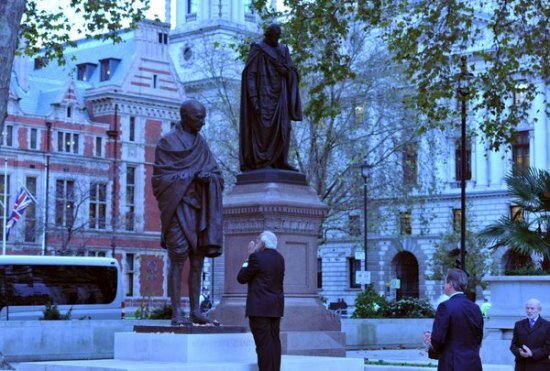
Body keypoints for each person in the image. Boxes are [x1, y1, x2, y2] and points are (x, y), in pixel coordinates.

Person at [152, 99, 224, 326]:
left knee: (198, 261)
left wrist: (208, 178)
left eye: (203, 117)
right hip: (178, 209)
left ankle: (195, 311)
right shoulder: (167, 143)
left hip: (198, 211)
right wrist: (192, 176)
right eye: (198, 117)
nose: (202, 122)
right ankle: (176, 311)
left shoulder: (201, 144)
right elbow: (159, 180)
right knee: (178, 259)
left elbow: (217, 174)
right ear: (184, 116)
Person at [239, 23, 303, 172]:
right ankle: (263, 161)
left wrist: (287, 72)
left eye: (279, 36)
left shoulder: (283, 50)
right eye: (275, 35)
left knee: (284, 128)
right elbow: (250, 75)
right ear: (268, 35)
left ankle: (282, 161)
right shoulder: (258, 50)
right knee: (263, 131)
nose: (277, 39)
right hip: (263, 97)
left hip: (281, 98)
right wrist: (254, 98)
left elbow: (292, 72)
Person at [237, 231, 285, 371]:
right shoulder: (280, 258)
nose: (256, 242)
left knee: (263, 345)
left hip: (259, 308)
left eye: (258, 240)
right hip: (275, 308)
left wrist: (248, 257)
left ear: (263, 243)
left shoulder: (256, 257)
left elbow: (241, 278)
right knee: (274, 343)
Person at [423, 268, 483, 371]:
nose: (443, 285)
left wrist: (431, 342)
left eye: (445, 282)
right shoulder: (475, 308)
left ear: (450, 284)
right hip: (473, 364)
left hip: (452, 365)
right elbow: (478, 337)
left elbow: (438, 338)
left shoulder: (445, 307)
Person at [510, 298, 550, 371]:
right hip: (522, 366)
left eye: (532, 308)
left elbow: (548, 347)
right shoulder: (518, 325)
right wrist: (519, 352)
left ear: (539, 309)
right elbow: (513, 345)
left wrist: (532, 353)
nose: (529, 311)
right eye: (527, 308)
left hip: (540, 366)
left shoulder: (547, 325)